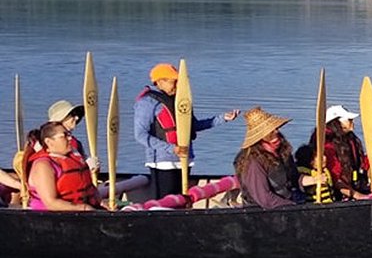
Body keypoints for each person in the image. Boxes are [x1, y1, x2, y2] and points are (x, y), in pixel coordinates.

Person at [134, 62, 240, 199]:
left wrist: (223, 118)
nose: (178, 85)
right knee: (166, 201)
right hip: (162, 162)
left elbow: (192, 126)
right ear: (160, 82)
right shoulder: (147, 103)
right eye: (174, 81)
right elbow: (140, 135)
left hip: (184, 159)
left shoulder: (180, 100)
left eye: (179, 81)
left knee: (180, 200)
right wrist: (172, 149)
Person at [233, 107, 326, 209]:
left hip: (289, 202)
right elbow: (264, 198)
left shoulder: (283, 151)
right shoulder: (252, 162)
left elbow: (294, 178)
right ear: (260, 138)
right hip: (262, 212)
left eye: (276, 129)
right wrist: (293, 207)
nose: (276, 133)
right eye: (270, 133)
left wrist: (313, 180)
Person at [293, 104, 372, 202]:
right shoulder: (327, 143)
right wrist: (357, 195)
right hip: (340, 193)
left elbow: (360, 161)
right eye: (349, 120)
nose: (352, 122)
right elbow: (335, 176)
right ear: (336, 122)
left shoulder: (349, 138)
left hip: (354, 185)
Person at [25, 121, 105, 211]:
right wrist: (84, 208)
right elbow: (51, 203)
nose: (70, 138)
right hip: (50, 217)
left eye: (69, 134)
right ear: (49, 142)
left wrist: (101, 202)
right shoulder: (43, 165)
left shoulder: (75, 159)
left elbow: (89, 187)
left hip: (80, 212)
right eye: (64, 136)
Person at [46, 100, 100, 173]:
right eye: (72, 114)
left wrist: (92, 165)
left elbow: (81, 161)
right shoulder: (46, 141)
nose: (77, 118)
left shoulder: (76, 144)